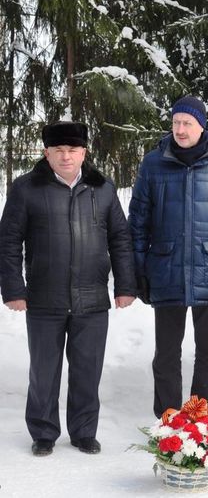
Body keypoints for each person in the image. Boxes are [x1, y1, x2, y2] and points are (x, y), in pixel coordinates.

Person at [0, 121, 137, 456]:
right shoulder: (26, 189)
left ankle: (83, 432)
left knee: (87, 371)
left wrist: (125, 284)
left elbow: (120, 238)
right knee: (44, 372)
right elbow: (7, 242)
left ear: (83, 152)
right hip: (45, 299)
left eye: (72, 150)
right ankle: (44, 432)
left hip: (91, 299)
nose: (65, 156)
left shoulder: (102, 188)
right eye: (58, 150)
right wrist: (13, 289)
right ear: (47, 152)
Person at [128, 96, 208, 418]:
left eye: (187, 123)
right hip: (166, 267)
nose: (180, 130)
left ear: (202, 125)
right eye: (175, 123)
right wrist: (139, 271)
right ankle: (169, 421)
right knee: (167, 354)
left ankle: (202, 421)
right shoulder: (154, 163)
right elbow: (138, 221)